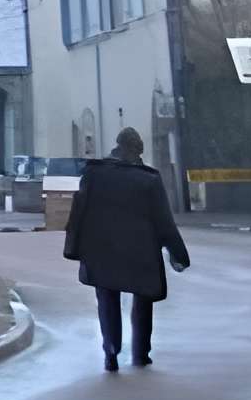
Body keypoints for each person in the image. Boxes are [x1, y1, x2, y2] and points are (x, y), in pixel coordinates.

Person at [65, 126, 189, 369]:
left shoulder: (95, 174)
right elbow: (164, 222)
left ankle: (111, 352)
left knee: (107, 300)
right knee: (143, 300)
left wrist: (75, 247)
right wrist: (178, 255)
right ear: (133, 150)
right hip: (140, 252)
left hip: (102, 249)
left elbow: (78, 213)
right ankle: (141, 353)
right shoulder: (148, 179)